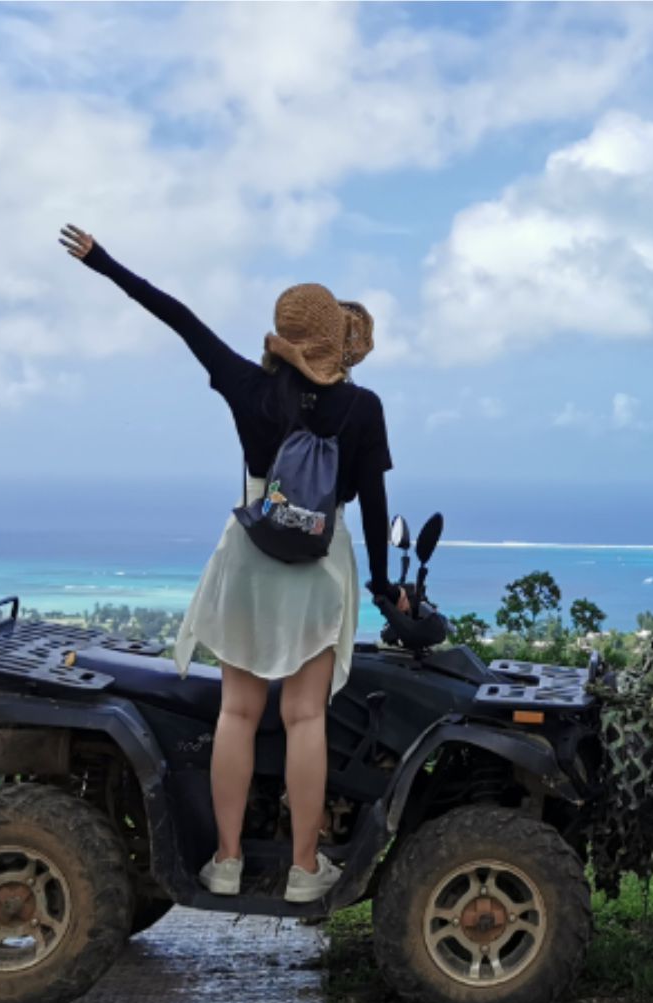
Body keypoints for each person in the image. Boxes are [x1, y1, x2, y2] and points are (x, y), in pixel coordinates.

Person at [61, 223, 404, 903]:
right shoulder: (363, 408)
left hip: (249, 559)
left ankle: (225, 861)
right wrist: (383, 588)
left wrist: (103, 261)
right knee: (305, 717)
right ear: (336, 343)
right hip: (318, 570)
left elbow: (177, 316)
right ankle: (303, 868)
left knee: (238, 713)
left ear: (282, 341)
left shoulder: (248, 386)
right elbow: (374, 506)